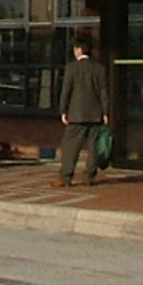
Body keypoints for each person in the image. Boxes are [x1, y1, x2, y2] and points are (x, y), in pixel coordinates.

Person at [55, 36, 110, 187]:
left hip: (76, 114)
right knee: (93, 148)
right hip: (96, 114)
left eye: (75, 49)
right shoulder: (99, 68)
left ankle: (66, 177)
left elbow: (66, 90)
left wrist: (63, 110)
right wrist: (105, 112)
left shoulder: (71, 68)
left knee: (70, 147)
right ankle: (89, 178)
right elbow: (103, 92)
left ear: (79, 50)